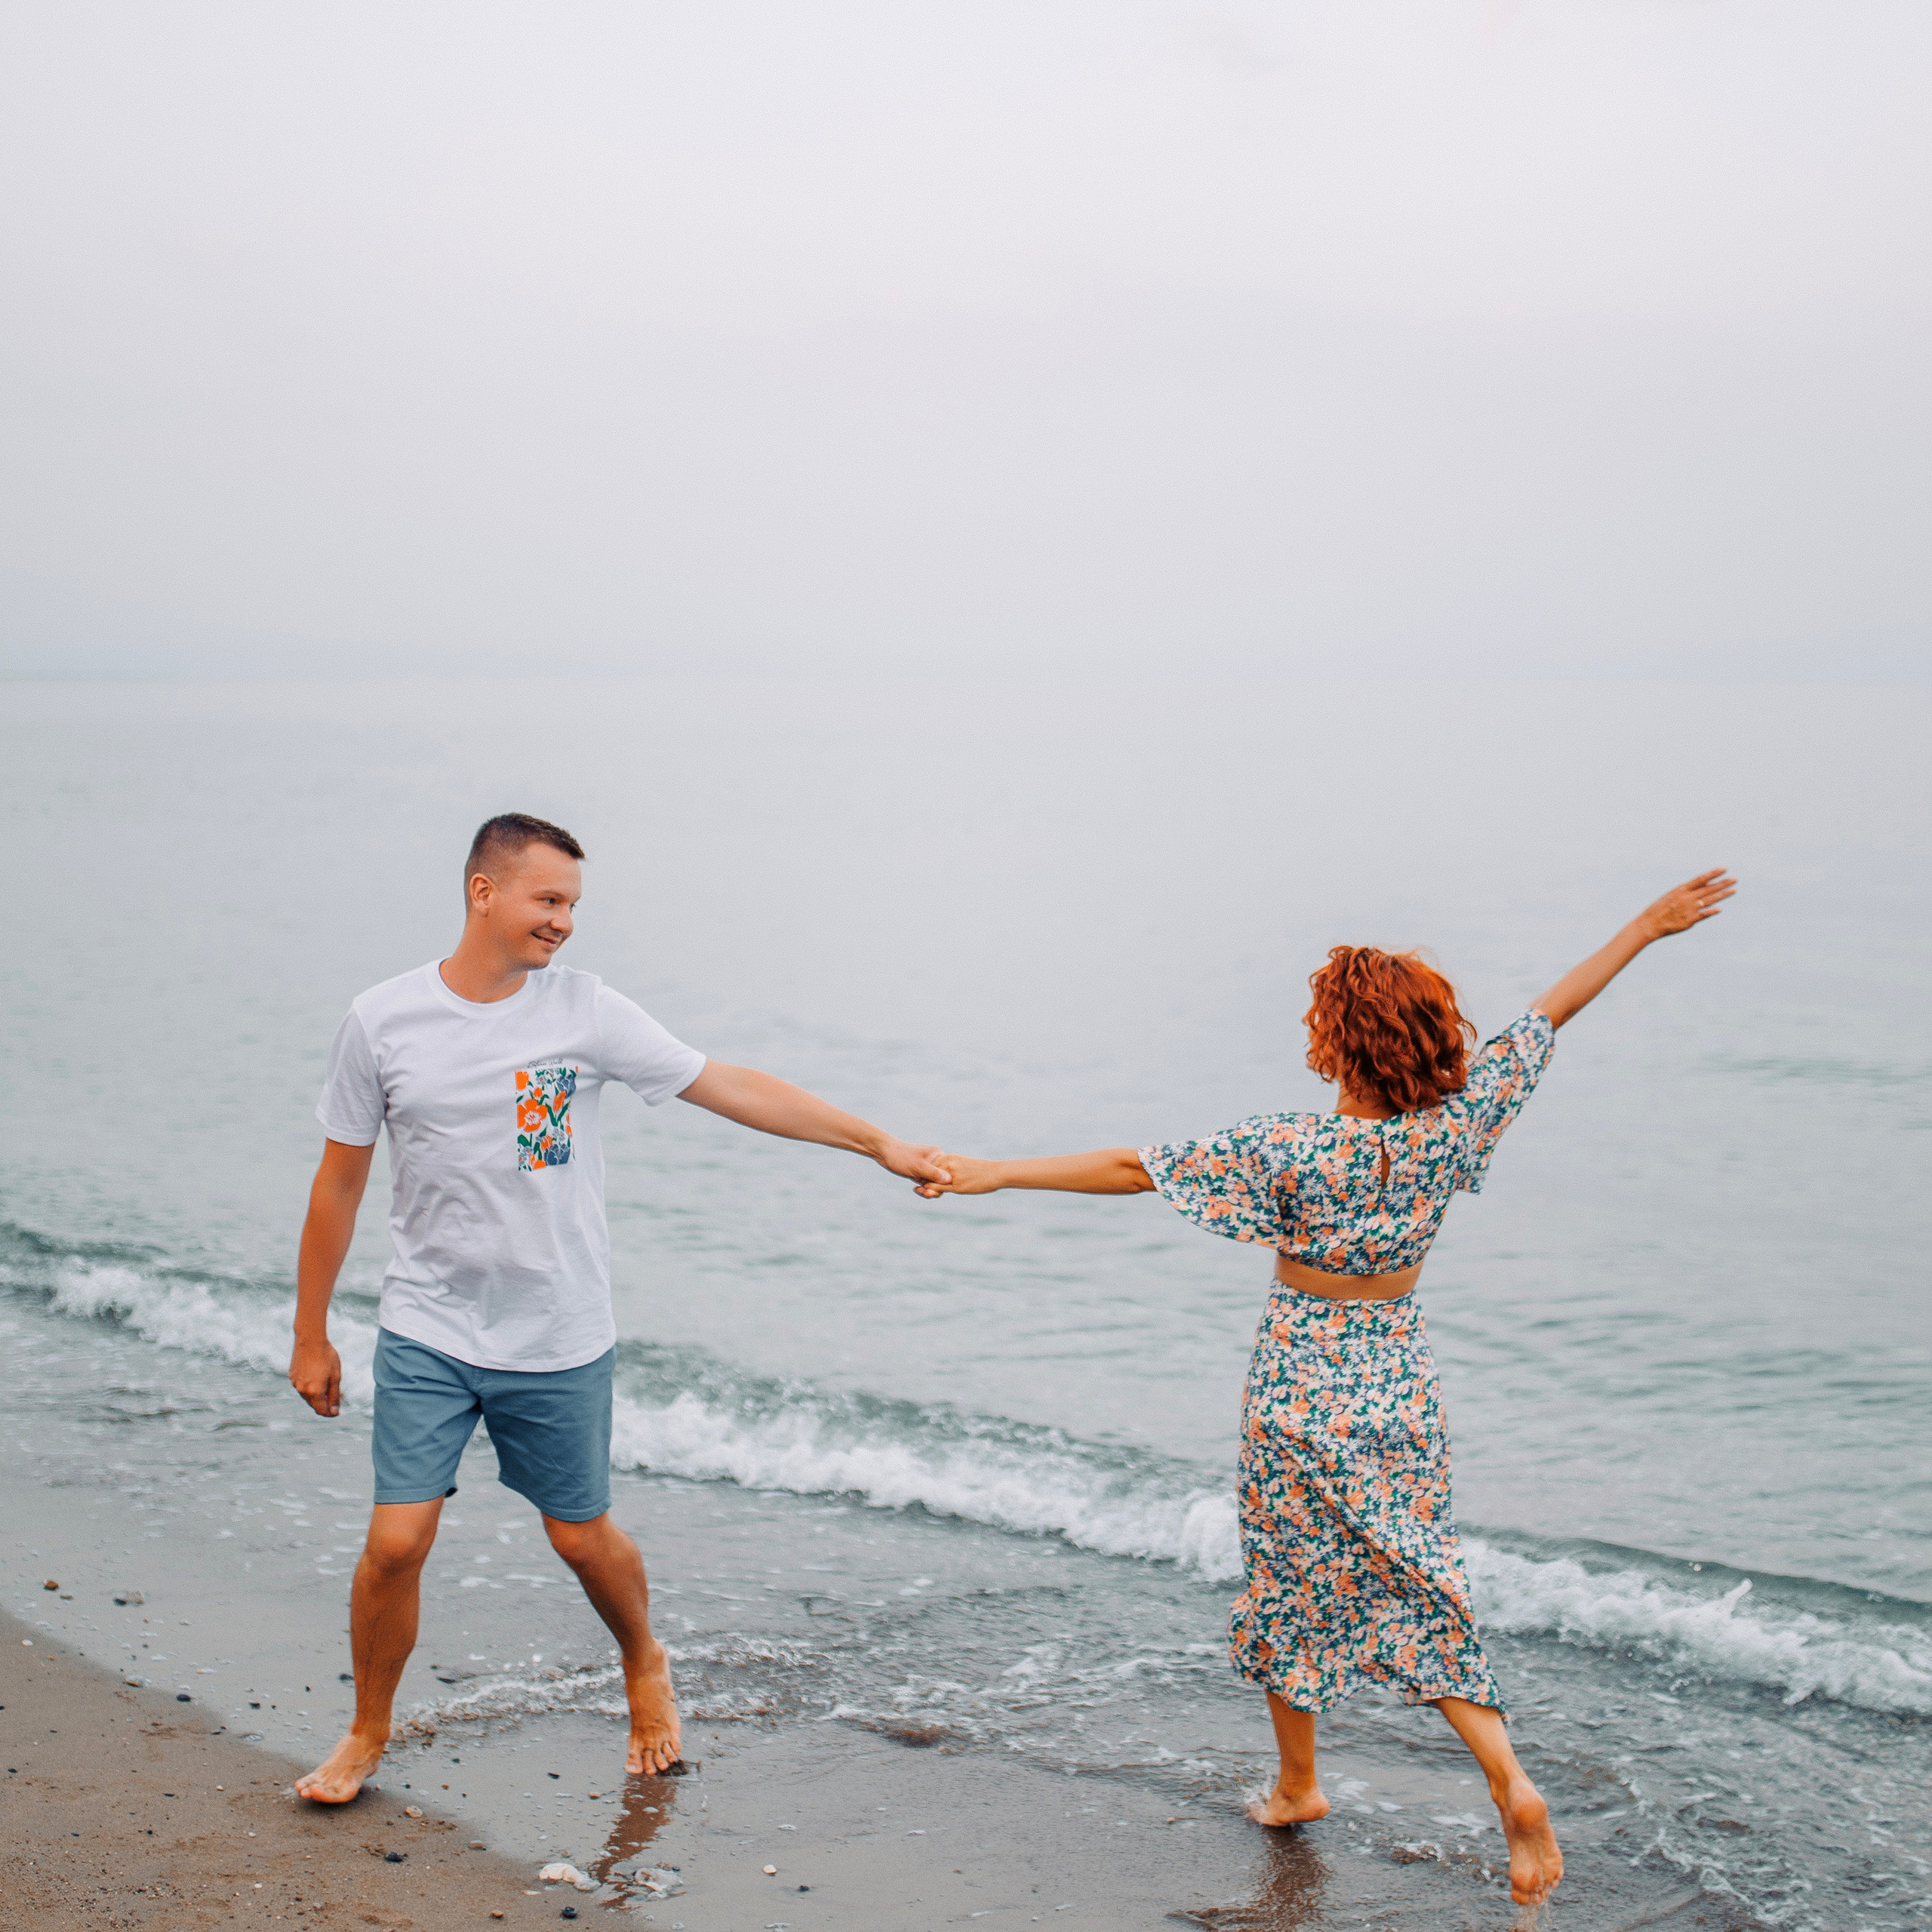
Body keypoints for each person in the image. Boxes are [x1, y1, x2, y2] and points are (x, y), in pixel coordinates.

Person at [915, 870, 1737, 1908]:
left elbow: (1133, 1167)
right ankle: (1500, 1778)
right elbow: (1548, 1013)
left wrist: (994, 1171)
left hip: (1300, 1386)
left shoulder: (1293, 1149)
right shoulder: (1461, 1120)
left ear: (1340, 1046)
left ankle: (1300, 1784)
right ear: (1430, 1038)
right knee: (1419, 1579)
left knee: (1289, 1581)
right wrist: (1647, 927)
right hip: (1399, 1382)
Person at [288, 813, 952, 1803]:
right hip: (428, 1326)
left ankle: (643, 1659)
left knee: (579, 1537)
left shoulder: (585, 1013)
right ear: (483, 892)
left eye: (573, 905)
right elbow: (338, 1183)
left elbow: (729, 1084)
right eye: (548, 899)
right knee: (395, 1544)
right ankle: (366, 1731)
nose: (564, 921)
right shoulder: (382, 1020)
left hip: (557, 1332)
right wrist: (310, 1332)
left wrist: (878, 1144)